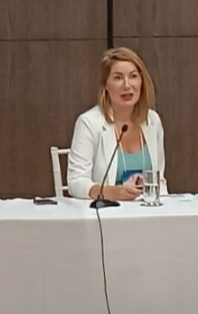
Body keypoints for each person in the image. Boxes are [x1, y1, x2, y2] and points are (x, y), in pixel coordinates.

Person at [66, 47, 167, 201]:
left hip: (147, 216)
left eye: (133, 76)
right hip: (106, 217)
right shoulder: (89, 123)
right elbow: (76, 182)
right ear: (106, 85)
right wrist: (113, 193)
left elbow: (159, 181)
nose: (127, 85)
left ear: (141, 81)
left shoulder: (152, 121)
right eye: (118, 78)